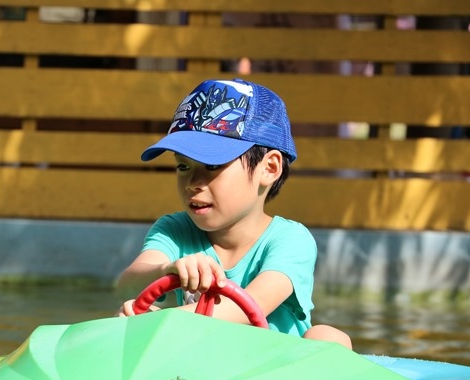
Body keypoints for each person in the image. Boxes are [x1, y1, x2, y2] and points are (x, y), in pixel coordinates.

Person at [116, 78, 352, 349]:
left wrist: (159, 324)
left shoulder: (291, 240)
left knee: (329, 338)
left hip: (275, 375)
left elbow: (247, 308)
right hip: (199, 369)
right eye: (183, 166)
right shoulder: (174, 230)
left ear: (269, 168)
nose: (193, 181)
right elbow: (127, 287)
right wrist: (164, 271)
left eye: (212, 165)